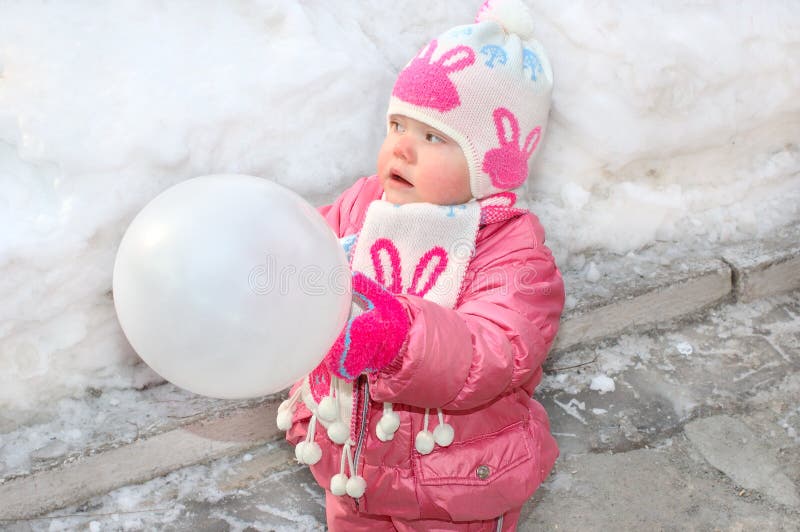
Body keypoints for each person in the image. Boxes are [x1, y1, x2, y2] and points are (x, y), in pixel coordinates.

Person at [276, 1, 565, 529]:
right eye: (398, 125)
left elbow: (495, 349)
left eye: (433, 137)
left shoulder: (514, 255)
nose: (402, 150)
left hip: (452, 485)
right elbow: (311, 248)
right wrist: (272, 251)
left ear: (492, 161)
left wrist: (401, 340)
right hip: (352, 464)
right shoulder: (366, 205)